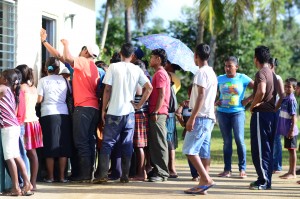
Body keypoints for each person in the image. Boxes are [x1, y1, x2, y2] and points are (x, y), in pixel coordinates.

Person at [95, 43, 152, 183]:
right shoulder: (137, 69)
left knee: (108, 143)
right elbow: (148, 87)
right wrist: (139, 105)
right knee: (127, 144)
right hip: (130, 113)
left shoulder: (113, 67)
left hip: (114, 111)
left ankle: (102, 175)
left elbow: (107, 89)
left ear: (120, 53)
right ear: (132, 56)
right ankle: (125, 176)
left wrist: (103, 109)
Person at [61, 38, 100, 182]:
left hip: (83, 108)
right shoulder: (95, 67)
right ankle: (89, 173)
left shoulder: (83, 62)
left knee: (81, 142)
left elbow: (67, 58)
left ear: (85, 51)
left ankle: (84, 175)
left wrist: (66, 44)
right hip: (94, 108)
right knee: (89, 141)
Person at [182, 43, 217, 195]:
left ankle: (206, 179)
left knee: (189, 150)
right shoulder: (211, 72)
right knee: (203, 152)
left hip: (201, 117)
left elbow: (201, 95)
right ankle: (203, 184)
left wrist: (192, 118)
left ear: (196, 56)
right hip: (208, 116)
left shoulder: (201, 72)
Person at [216, 56, 254, 178]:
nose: (227, 68)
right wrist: (215, 101)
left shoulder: (242, 78)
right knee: (227, 141)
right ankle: (227, 170)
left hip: (237, 112)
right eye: (225, 66)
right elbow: (209, 91)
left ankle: (242, 169)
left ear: (236, 67)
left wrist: (248, 100)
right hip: (222, 113)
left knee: (239, 139)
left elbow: (259, 88)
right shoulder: (220, 78)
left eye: (230, 66)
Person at [37, 57, 72, 183]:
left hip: (48, 115)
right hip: (63, 115)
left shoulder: (42, 81)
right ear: (58, 69)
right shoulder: (64, 80)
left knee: (50, 147)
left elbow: (39, 99)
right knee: (63, 146)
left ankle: (50, 177)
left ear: (46, 68)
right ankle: (62, 177)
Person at [0, 69, 33, 196]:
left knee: (9, 158)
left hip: (8, 128)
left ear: (5, 80)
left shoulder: (3, 88)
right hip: (14, 127)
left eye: (1, 76)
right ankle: (27, 183)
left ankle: (15, 187)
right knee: (16, 156)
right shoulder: (11, 91)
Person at [249, 45, 277, 190]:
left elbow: (261, 90)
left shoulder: (261, 73)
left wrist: (253, 106)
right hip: (271, 115)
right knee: (267, 149)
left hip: (261, 115)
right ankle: (265, 179)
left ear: (256, 58)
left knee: (259, 149)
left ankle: (264, 181)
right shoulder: (272, 73)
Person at [16, 64, 43, 191]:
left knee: (24, 153)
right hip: (34, 122)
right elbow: (37, 101)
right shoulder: (33, 87)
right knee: (33, 154)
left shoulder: (21, 88)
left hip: (25, 122)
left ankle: (26, 182)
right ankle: (33, 183)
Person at [147, 49, 171, 182]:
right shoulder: (158, 73)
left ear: (158, 60)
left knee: (160, 142)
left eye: (152, 57)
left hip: (159, 113)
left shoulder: (161, 74)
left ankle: (162, 173)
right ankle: (157, 169)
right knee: (155, 143)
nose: (150, 59)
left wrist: (156, 111)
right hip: (157, 112)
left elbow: (162, 95)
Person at [276, 78, 298, 179]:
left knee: (292, 150)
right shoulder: (285, 98)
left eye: (289, 87)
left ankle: (292, 172)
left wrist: (291, 130)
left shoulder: (291, 100)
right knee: (289, 150)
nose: (286, 88)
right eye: (285, 86)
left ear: (294, 88)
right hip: (286, 130)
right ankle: (290, 171)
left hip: (290, 131)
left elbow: (294, 117)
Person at [164, 61, 181, 178]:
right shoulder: (177, 78)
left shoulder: (169, 76)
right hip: (171, 112)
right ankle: (171, 167)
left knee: (169, 140)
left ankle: (171, 167)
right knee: (170, 140)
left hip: (167, 111)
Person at [269, 57, 285, 174]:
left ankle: (277, 165)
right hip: (268, 110)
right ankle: (271, 164)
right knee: (270, 138)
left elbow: (282, 95)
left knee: (276, 139)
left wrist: (276, 108)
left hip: (276, 110)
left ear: (272, 65)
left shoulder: (277, 78)